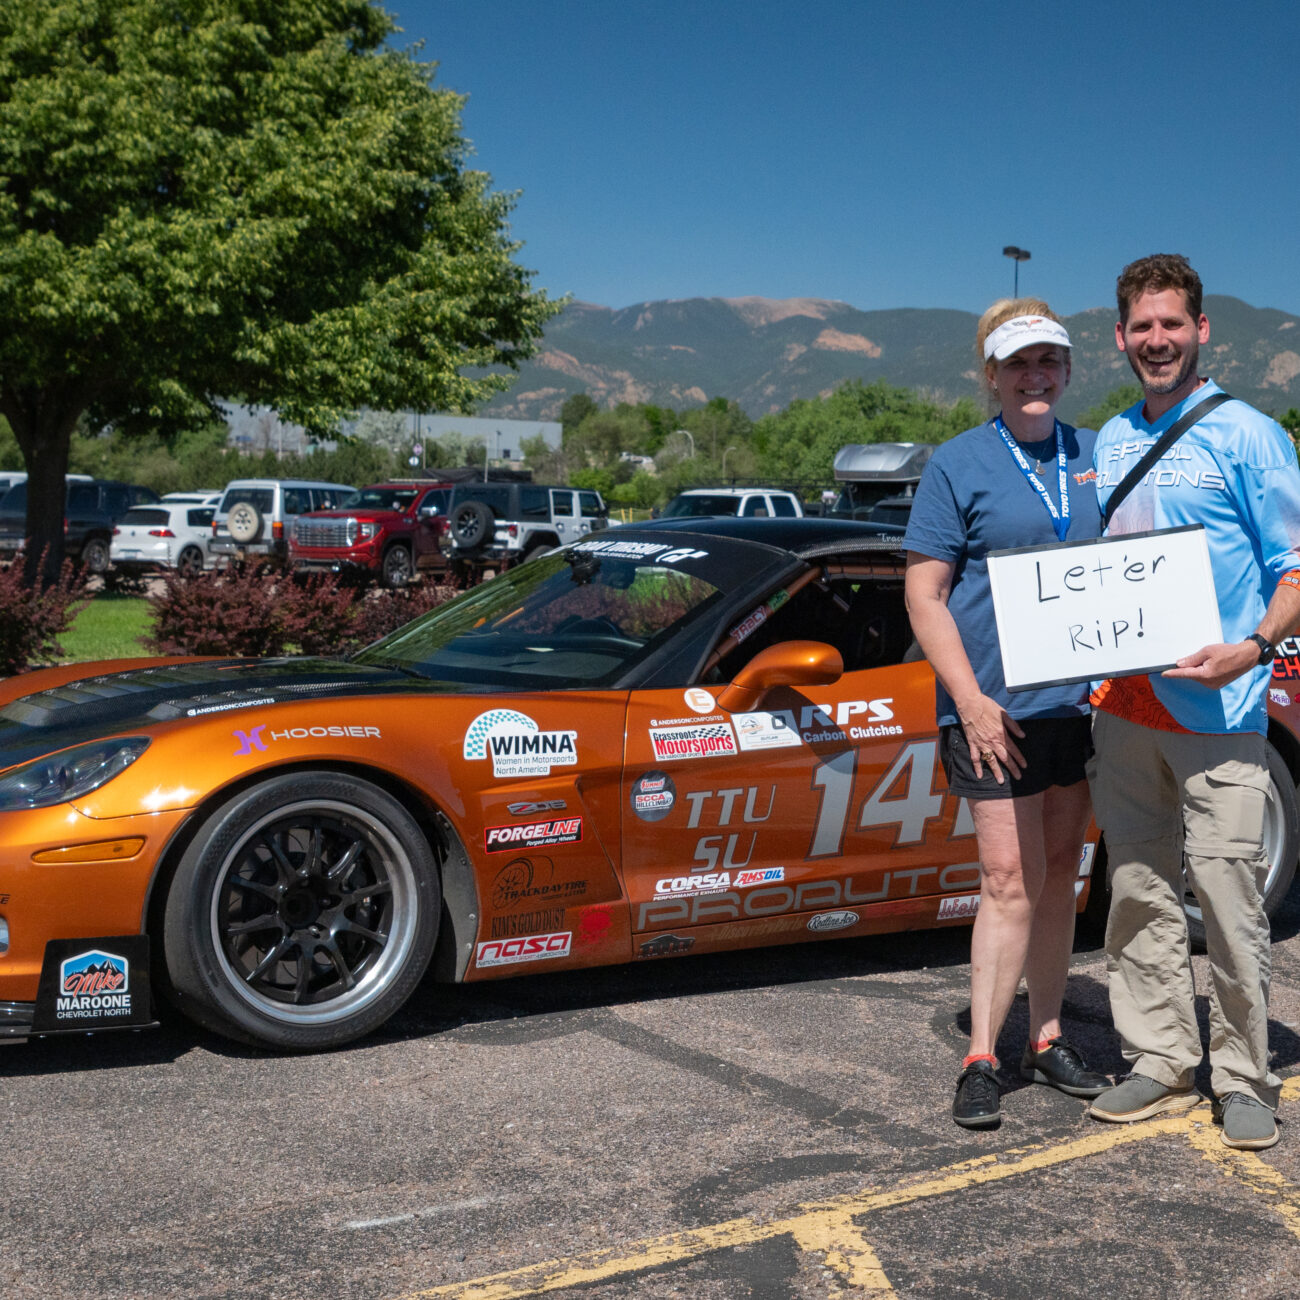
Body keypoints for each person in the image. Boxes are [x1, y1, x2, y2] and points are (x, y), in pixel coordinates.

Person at [1085, 254, 1300, 1150]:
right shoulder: (1109, 439)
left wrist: (1251, 648)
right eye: (1142, 327)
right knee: (1136, 890)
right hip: (1125, 710)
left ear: (1202, 330)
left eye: (1173, 324)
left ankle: (1244, 1075)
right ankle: (1161, 1057)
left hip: (1220, 711)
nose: (1157, 341)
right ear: (1123, 336)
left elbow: (1295, 571)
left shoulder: (1249, 434)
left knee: (1226, 898)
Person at [904, 299, 1109, 1129]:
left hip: (1082, 707)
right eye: (1018, 364)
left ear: (1066, 370)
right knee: (1006, 880)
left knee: (1062, 873)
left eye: (1049, 362)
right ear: (991, 375)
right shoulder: (958, 465)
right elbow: (925, 595)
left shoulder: (1099, 454)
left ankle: (1049, 1036)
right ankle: (983, 1052)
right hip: (993, 710)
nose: (1036, 377)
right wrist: (970, 700)